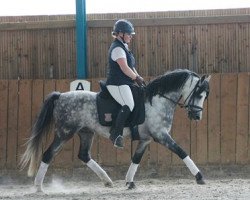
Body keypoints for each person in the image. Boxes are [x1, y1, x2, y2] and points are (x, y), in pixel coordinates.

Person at [106, 19, 145, 149]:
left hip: (125, 82)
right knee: (129, 104)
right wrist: (135, 78)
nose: (130, 36)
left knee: (140, 95)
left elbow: (131, 67)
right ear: (120, 34)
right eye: (129, 34)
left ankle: (133, 128)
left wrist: (138, 77)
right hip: (116, 83)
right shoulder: (117, 49)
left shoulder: (125, 48)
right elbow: (124, 68)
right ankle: (116, 134)